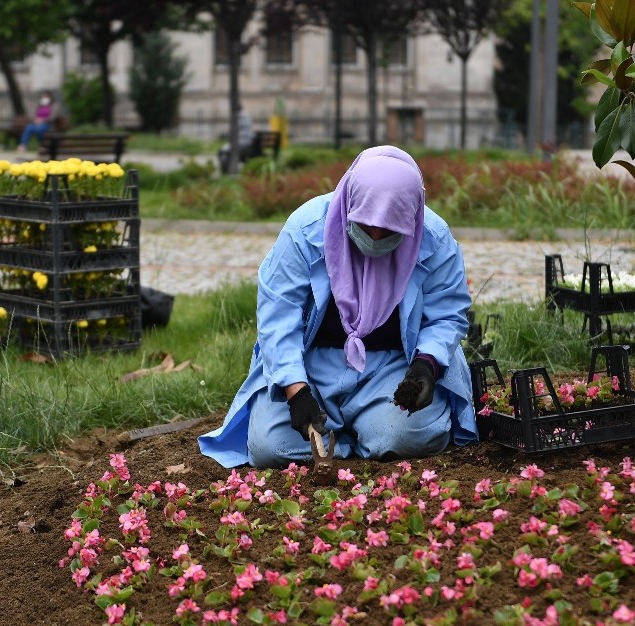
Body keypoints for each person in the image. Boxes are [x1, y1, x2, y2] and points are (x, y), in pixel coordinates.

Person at [198, 145, 479, 469]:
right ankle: (358, 440)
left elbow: (448, 312)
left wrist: (425, 365)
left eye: (388, 233)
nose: (374, 239)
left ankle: (363, 434)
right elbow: (279, 316)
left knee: (405, 436)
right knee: (269, 448)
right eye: (364, 226)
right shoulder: (304, 231)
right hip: (312, 364)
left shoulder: (434, 237)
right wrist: (296, 392)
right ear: (349, 204)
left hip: (392, 367)